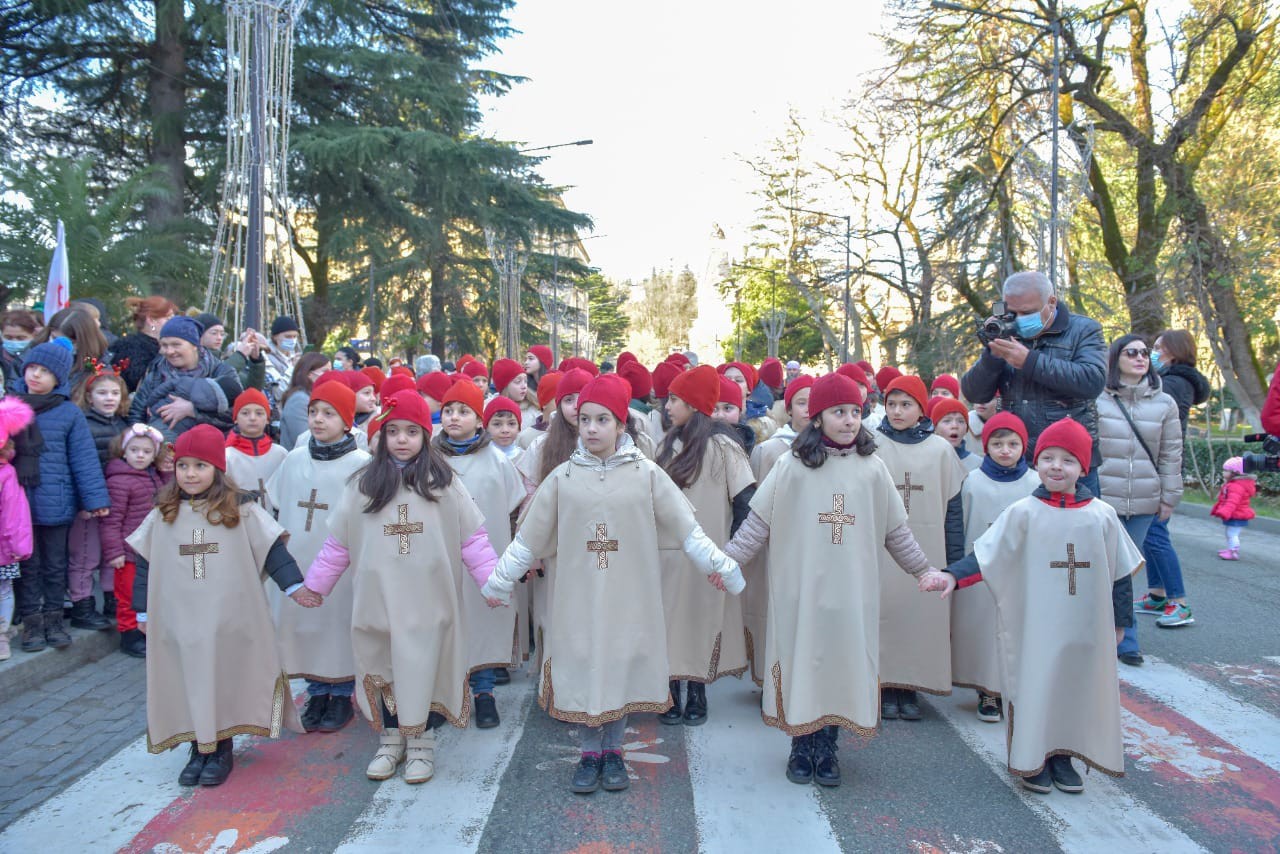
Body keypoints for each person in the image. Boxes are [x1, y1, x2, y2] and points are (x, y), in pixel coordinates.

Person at [483, 374, 744, 795]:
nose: (591, 428)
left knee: (619, 667)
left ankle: (614, 751)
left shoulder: (646, 474)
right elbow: (528, 540)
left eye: (602, 419)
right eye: (585, 419)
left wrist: (723, 565)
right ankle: (590, 753)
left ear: (621, 425)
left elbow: (687, 529)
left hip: (630, 597)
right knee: (587, 667)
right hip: (578, 598)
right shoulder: (563, 478)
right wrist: (498, 581)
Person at [722, 373, 950, 787]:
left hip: (852, 593)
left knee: (841, 668)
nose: (848, 420)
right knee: (803, 665)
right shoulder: (791, 467)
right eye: (838, 412)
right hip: (802, 593)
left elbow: (896, 531)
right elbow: (758, 524)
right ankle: (801, 744)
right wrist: (729, 563)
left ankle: (828, 746)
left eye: (855, 412)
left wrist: (923, 570)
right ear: (817, 417)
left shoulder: (872, 468)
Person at [930, 418, 1144, 795]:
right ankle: (1035, 759)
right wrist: (951, 575)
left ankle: (1064, 757)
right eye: (1048, 458)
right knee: (1036, 686)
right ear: (1036, 462)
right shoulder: (1024, 512)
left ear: (1084, 467)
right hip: (1037, 625)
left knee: (1074, 688)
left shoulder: (1101, 516)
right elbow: (987, 554)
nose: (1056, 467)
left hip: (1085, 626)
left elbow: (1119, 573)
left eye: (1067, 459)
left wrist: (1120, 622)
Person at [301, 390, 501, 784]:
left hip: (428, 604)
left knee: (422, 669)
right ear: (382, 436)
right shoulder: (363, 484)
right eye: (393, 431)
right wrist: (316, 586)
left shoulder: (443, 482)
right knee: (385, 669)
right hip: (377, 602)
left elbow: (472, 540)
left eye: (412, 431)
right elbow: (338, 543)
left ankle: (421, 743)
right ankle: (391, 741)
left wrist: (492, 583)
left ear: (426, 435)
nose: (402, 439)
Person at [131, 424, 317, 787]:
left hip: (228, 619)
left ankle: (220, 748)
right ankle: (197, 746)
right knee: (187, 682)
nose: (190, 474)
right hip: (179, 620)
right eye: (183, 466)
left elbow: (273, 550)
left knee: (222, 679)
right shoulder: (164, 513)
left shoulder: (239, 510)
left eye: (199, 466)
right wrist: (142, 611)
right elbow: (145, 564)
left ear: (217, 469)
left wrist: (295, 586)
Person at [266, 379, 369, 734]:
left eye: (329, 413)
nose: (318, 420)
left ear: (347, 420)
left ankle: (341, 693)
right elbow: (278, 504)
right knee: (304, 626)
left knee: (337, 625)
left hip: (341, 563)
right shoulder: (294, 459)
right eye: (313, 412)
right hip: (298, 558)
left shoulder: (361, 464)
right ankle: (316, 691)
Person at [656, 366, 755, 726]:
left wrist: (733, 554)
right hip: (668, 553)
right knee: (669, 623)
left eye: (675, 400)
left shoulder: (726, 447)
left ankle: (697, 690)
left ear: (695, 405)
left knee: (699, 621)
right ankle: (669, 692)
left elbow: (746, 502)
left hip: (709, 554)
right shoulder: (665, 445)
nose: (668, 407)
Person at [961, 271, 1107, 492]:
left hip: (1070, 461)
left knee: (1076, 525)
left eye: (1027, 312)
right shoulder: (1007, 330)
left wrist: (1029, 361)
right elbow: (975, 394)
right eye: (1012, 312)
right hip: (1018, 461)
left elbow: (1092, 380)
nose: (1018, 319)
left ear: (1051, 302)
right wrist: (991, 358)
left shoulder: (1083, 329)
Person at [873, 375, 967, 720]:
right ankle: (882, 684)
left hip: (927, 549)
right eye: (891, 404)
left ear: (921, 408)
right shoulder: (871, 443)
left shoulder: (940, 449)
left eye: (906, 404)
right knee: (884, 614)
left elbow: (953, 509)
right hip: (880, 549)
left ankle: (909, 687)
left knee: (917, 618)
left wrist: (955, 563)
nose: (897, 411)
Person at [433, 379, 523, 729]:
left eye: (463, 411)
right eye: (449, 410)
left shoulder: (496, 461)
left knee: (483, 624)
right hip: (440, 558)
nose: (454, 417)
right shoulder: (430, 456)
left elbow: (513, 505)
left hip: (485, 556)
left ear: (479, 419)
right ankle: (445, 697)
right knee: (443, 624)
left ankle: (484, 694)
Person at [13, 339, 111, 652]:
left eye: (44, 371)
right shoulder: (10, 407)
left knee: (55, 566)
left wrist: (95, 501)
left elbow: (83, 459)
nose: (35, 375)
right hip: (19, 505)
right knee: (28, 567)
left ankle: (54, 622)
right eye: (32, 368)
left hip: (57, 502)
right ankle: (31, 625)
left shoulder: (69, 413)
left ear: (58, 378)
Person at [1096, 334, 1183, 665]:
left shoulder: (1165, 403)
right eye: (1131, 352)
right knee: (1100, 569)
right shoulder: (1098, 399)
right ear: (1116, 358)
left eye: (1145, 352)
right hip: (1104, 500)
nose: (1140, 357)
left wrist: (1169, 497)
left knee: (1126, 570)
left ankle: (1126, 640)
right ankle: (1097, 635)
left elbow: (1172, 452)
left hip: (1146, 501)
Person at [951, 412, 1039, 723]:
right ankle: (988, 690)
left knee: (1015, 629)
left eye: (1013, 443)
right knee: (985, 631)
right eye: (998, 443)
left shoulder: (1035, 483)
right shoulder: (973, 481)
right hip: (980, 571)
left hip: (1020, 571)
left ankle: (1013, 688)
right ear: (986, 446)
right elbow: (960, 522)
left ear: (1023, 446)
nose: (1005, 450)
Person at [740, 374, 812, 687]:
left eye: (814, 403)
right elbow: (756, 503)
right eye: (801, 403)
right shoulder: (770, 451)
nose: (808, 410)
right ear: (790, 408)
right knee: (774, 611)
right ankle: (771, 678)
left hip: (810, 546)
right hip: (774, 546)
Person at [1136, 330, 1210, 629]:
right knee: (1152, 534)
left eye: (1156, 348)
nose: (1150, 354)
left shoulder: (1174, 383)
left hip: (1158, 466)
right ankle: (1158, 594)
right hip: (1155, 464)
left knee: (1155, 534)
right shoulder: (1171, 379)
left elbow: (1168, 430)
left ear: (1174, 352)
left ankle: (1179, 602)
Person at [67, 360, 131, 631]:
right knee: (85, 554)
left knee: (111, 554)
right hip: (90, 505)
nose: (109, 399)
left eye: (114, 393)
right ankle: (82, 604)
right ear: (89, 396)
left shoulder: (123, 425)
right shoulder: (83, 425)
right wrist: (85, 501)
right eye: (103, 393)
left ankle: (111, 600)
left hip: (115, 503)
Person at [101, 424, 169, 658]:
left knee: (148, 593)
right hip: (129, 552)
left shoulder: (154, 477)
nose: (140, 455)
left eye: (147, 451)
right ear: (124, 451)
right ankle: (129, 636)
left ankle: (147, 632)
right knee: (128, 596)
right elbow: (112, 521)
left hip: (150, 550)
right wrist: (114, 551)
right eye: (134, 450)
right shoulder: (119, 480)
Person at [128, 316, 243, 439]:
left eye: (176, 345)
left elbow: (238, 415)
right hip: (163, 450)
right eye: (164, 345)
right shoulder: (156, 373)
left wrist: (193, 411)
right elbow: (136, 414)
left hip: (208, 450)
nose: (170, 351)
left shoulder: (222, 373)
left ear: (195, 345)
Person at [0, 398, 34, 661]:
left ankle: (1, 636)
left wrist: (18, 546)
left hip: (3, 549)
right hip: (4, 549)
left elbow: (14, 515)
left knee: (3, 590)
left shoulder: (7, 475)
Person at [224, 389, 289, 509]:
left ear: (268, 418)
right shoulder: (227, 456)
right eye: (245, 413)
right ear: (235, 418)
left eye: (259, 413)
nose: (252, 418)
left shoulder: (280, 454)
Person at [33, 307, 108, 395]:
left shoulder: (98, 366)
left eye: (71, 342)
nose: (60, 346)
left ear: (85, 341)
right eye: (54, 338)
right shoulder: (31, 354)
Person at [110, 296, 179, 393]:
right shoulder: (130, 347)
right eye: (168, 318)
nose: (174, 323)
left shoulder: (164, 347)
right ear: (151, 320)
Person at [278, 352, 331, 450]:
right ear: (309, 374)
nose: (330, 376)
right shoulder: (299, 400)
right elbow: (304, 439)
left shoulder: (312, 397)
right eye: (325, 371)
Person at [1211, 457, 1256, 560]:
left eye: (1226, 470)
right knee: (1230, 533)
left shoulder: (1236, 486)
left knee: (1232, 533)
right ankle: (1230, 549)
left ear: (1236, 473)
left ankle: (1233, 552)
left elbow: (1232, 502)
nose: (1223, 472)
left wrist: (1225, 512)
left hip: (1236, 514)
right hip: (1236, 513)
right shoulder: (1235, 484)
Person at [930, 397, 982, 473]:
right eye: (947, 421)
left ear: (966, 429)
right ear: (935, 428)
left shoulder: (978, 464)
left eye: (960, 421)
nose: (955, 426)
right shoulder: (925, 461)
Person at [0, 309, 40, 389]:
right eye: (8, 337)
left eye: (20, 338)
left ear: (33, 335)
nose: (14, 342)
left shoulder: (39, 358)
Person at [491, 358, 535, 427]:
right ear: (505, 387)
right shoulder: (489, 410)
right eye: (518, 381)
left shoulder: (534, 412)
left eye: (525, 381)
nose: (524, 386)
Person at [484, 396, 523, 460]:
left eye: (511, 424)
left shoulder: (526, 459)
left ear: (519, 427)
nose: (505, 430)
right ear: (486, 427)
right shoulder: (479, 458)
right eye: (497, 424)